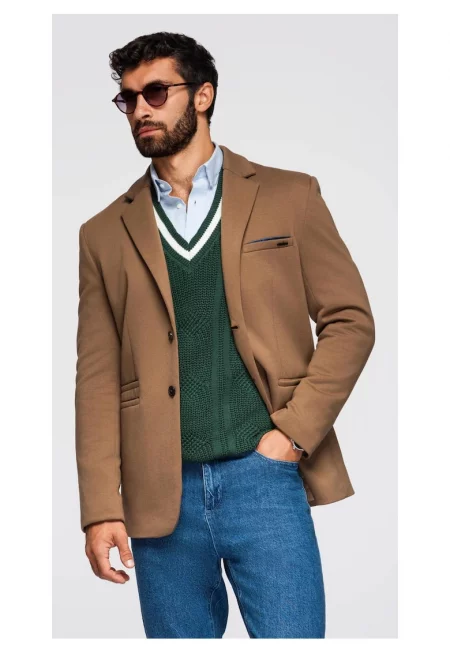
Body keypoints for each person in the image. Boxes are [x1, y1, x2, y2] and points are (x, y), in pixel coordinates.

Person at [75, 31, 376, 639]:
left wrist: (291, 436)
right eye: (128, 99)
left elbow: (350, 320)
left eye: (155, 93)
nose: (140, 111)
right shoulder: (103, 233)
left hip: (263, 479)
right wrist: (100, 508)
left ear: (203, 95)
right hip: (160, 495)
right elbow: (97, 378)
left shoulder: (289, 196)